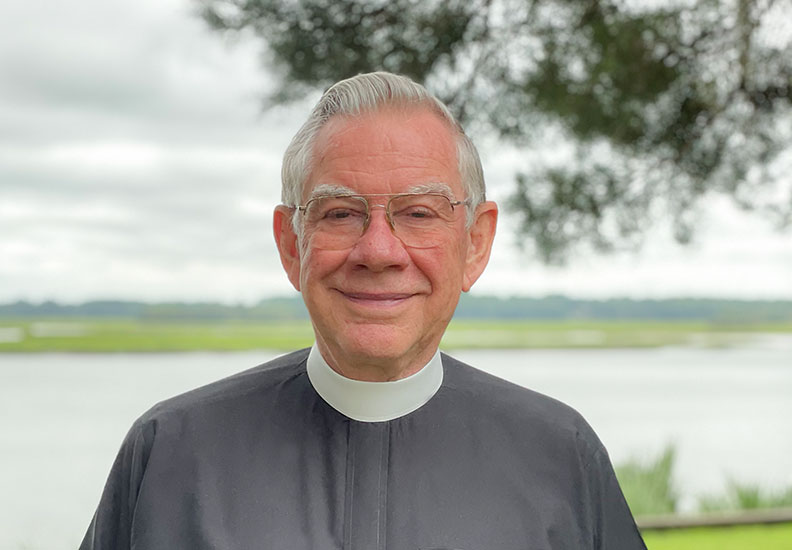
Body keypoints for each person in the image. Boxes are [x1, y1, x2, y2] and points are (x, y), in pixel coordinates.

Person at [80, 72, 646, 550]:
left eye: (421, 213)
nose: (378, 251)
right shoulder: (170, 456)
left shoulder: (560, 456)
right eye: (340, 213)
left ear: (475, 243)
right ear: (291, 244)